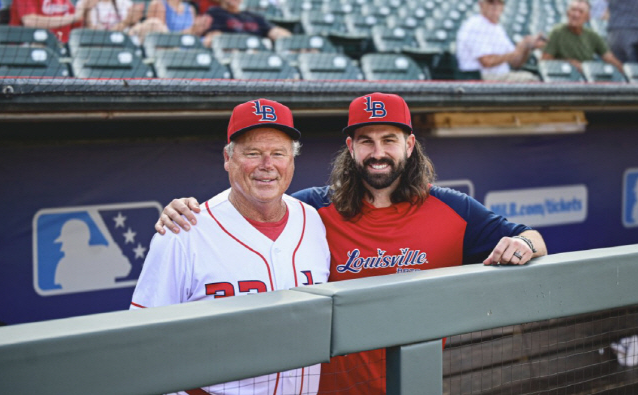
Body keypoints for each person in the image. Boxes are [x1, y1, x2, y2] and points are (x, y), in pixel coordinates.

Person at [155, 92, 548, 395]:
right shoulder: (312, 208)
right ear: (350, 147)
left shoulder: (453, 208)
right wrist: (185, 211)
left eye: (389, 140)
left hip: (413, 383)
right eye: (366, 140)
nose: (378, 153)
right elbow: (250, 203)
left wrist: (526, 244)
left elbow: (531, 235)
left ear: (409, 145)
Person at [131, 99, 330, 395]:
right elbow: (141, 340)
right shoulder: (183, 230)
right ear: (228, 158)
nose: (267, 165)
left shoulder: (312, 220)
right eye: (253, 153)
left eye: (279, 153)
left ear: (292, 160)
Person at [455, 0, 546, 82]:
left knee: (536, 78)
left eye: (499, 2)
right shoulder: (475, 25)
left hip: (497, 76)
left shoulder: (497, 27)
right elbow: (487, 62)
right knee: (531, 80)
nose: (495, 6)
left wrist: (527, 47)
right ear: (481, 5)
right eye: (491, 2)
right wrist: (517, 51)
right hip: (480, 78)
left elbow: (516, 63)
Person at [542, 0, 624, 75]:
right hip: (563, 76)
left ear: (587, 17)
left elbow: (609, 57)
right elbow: (545, 61)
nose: (576, 15)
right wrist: (569, 63)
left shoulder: (592, 36)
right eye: (573, 10)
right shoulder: (557, 32)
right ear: (568, 13)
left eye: (581, 12)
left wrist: (624, 71)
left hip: (586, 78)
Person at [201, 0, 291, 47]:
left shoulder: (254, 16)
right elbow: (213, 38)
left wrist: (292, 41)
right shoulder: (216, 12)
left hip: (257, 54)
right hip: (234, 54)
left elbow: (275, 31)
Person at [9, 0, 85, 43]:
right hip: (31, 47)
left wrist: (86, 7)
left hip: (64, 48)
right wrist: (73, 18)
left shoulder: (64, 1)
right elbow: (30, 21)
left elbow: (80, 26)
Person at [143, 0, 212, 35]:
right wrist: (191, 30)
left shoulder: (190, 8)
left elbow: (194, 35)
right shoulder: (158, 4)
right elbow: (161, 37)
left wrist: (199, 29)